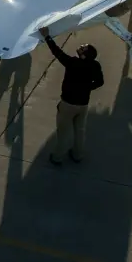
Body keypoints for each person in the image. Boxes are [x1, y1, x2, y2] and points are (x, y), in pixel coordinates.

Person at [38, 27, 104, 165]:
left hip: (68, 104)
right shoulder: (95, 66)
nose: (81, 47)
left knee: (63, 133)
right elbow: (100, 82)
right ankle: (78, 155)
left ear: (84, 55)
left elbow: (57, 52)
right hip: (83, 105)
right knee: (80, 131)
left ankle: (57, 157)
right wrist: (87, 88)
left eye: (83, 48)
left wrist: (47, 37)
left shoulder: (73, 63)